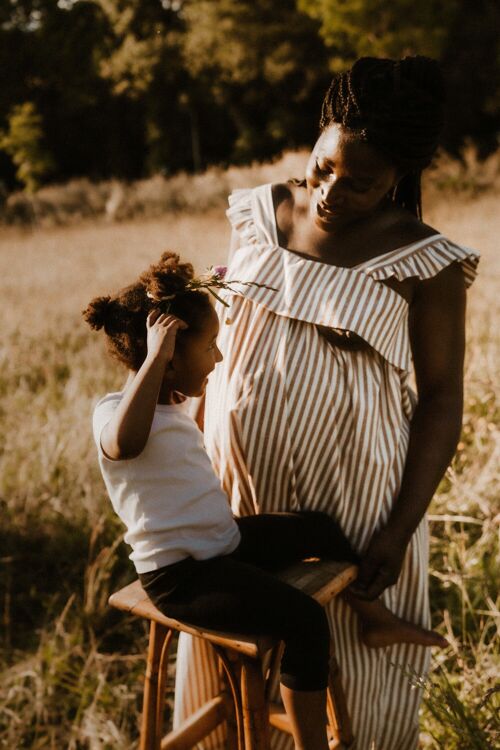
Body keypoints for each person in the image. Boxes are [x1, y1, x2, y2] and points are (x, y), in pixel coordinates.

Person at [174, 57, 480, 749]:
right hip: (233, 490)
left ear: (399, 175)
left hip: (351, 505)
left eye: (362, 183)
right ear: (316, 140)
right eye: (323, 167)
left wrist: (398, 529)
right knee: (238, 667)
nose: (331, 193)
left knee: (346, 678)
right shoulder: (257, 213)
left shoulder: (426, 263)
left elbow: (440, 400)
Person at [84, 252, 447, 750]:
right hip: (183, 578)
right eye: (210, 347)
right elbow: (124, 444)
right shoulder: (112, 414)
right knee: (304, 619)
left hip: (225, 543)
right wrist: (156, 355)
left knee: (319, 528)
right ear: (165, 358)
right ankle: (310, 743)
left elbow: (184, 433)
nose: (218, 358)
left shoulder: (171, 407)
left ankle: (370, 617)